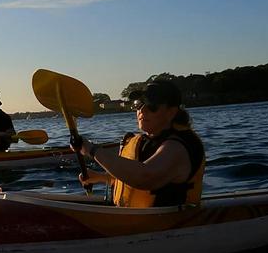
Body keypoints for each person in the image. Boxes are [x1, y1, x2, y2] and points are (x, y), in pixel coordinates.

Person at [71, 80, 206, 208]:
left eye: (152, 106)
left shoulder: (178, 147)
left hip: (169, 225)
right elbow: (133, 178)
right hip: (134, 219)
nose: (142, 110)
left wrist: (91, 150)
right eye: (138, 104)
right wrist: (102, 177)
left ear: (171, 112)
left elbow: (145, 177)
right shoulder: (146, 141)